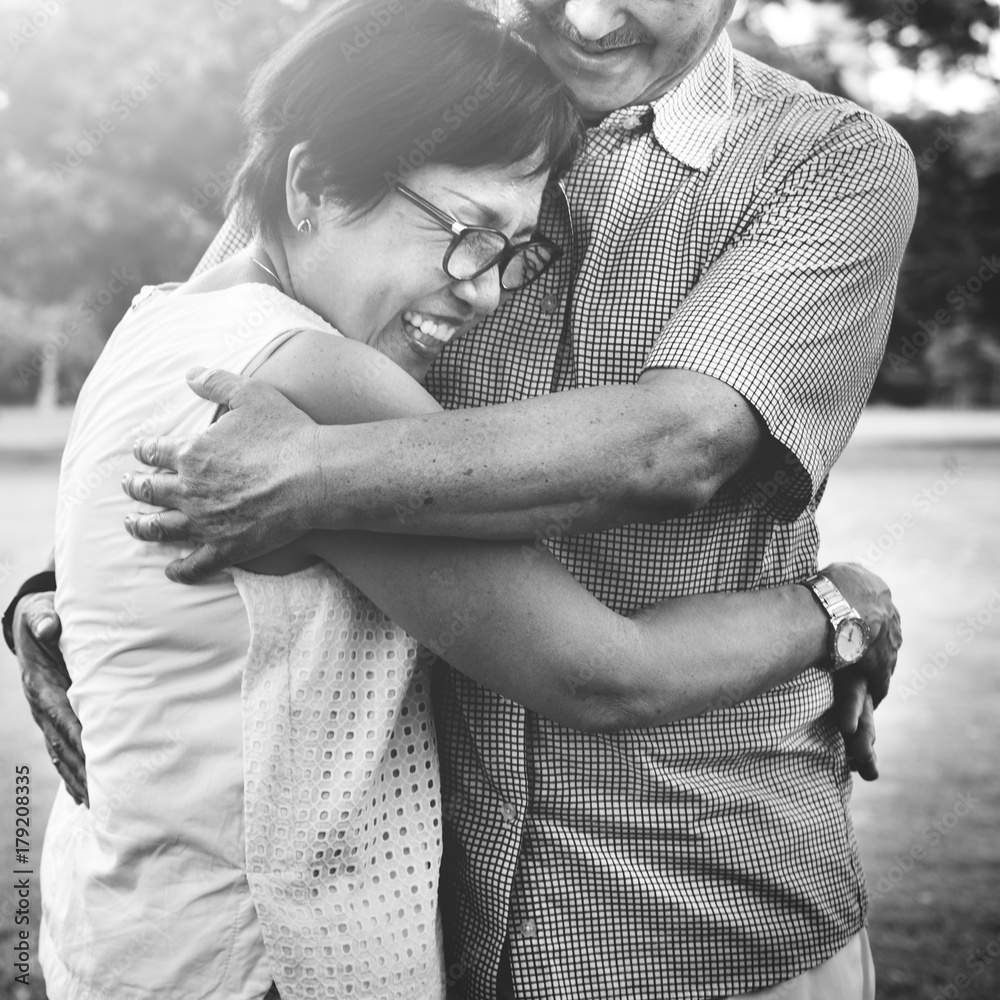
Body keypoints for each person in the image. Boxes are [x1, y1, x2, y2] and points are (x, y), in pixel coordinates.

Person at [7, 1, 913, 999]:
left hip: (696, 895)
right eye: (466, 233)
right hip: (423, 914)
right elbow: (216, 378)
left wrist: (310, 474)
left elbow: (675, 444)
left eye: (508, 247)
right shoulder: (389, 98)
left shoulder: (825, 161)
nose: (584, 12)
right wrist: (68, 601)